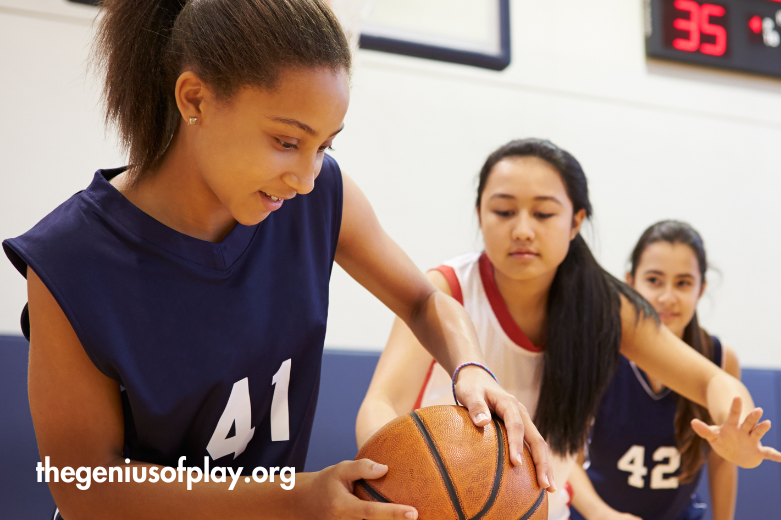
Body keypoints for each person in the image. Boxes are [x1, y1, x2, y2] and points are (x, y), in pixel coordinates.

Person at [2, 1, 550, 518]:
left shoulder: (318, 198)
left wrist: (473, 369)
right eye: (287, 141)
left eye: (325, 147)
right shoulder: (72, 258)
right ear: (194, 99)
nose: (307, 175)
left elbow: (426, 299)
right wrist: (293, 497)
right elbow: (85, 489)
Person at [356, 139, 781, 520]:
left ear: (576, 221)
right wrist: (404, 478)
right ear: (479, 214)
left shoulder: (606, 307)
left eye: (543, 213)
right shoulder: (446, 289)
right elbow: (382, 401)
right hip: (435, 506)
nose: (522, 229)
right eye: (504, 211)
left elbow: (712, 378)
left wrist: (737, 429)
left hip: (543, 508)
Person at [566, 220, 739, 520]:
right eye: (655, 280)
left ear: (701, 290)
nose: (667, 297)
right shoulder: (598, 350)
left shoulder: (719, 358)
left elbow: (724, 458)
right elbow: (565, 454)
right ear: (630, 283)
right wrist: (599, 514)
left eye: (683, 283)